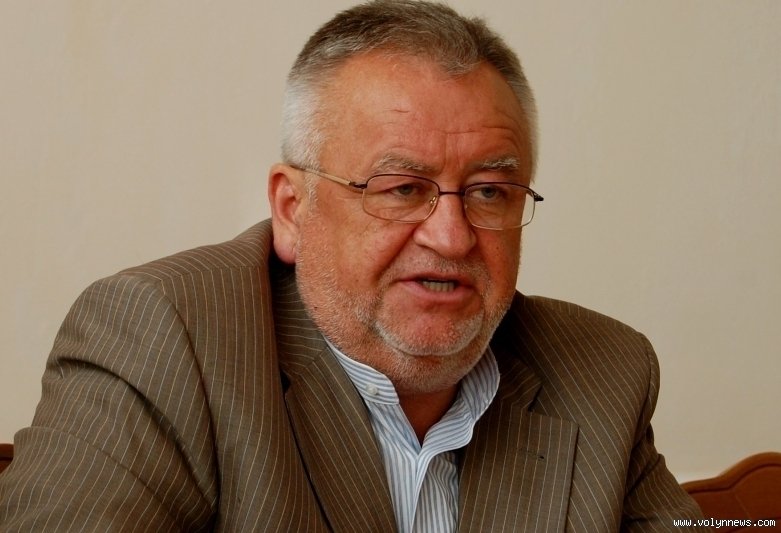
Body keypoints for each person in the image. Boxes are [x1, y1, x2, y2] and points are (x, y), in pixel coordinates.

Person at [0, 1, 705, 531]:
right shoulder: (165, 339)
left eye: (491, 192)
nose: (452, 236)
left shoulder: (601, 371)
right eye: (401, 188)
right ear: (292, 208)